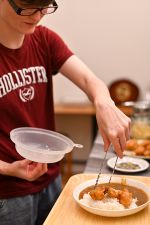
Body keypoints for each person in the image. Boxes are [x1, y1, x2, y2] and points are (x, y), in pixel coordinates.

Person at [0, 0, 131, 224]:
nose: (38, 15)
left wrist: (104, 103)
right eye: (29, 7)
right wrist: (8, 169)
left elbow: (89, 80)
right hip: (6, 194)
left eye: (45, 6)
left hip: (51, 180)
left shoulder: (44, 39)